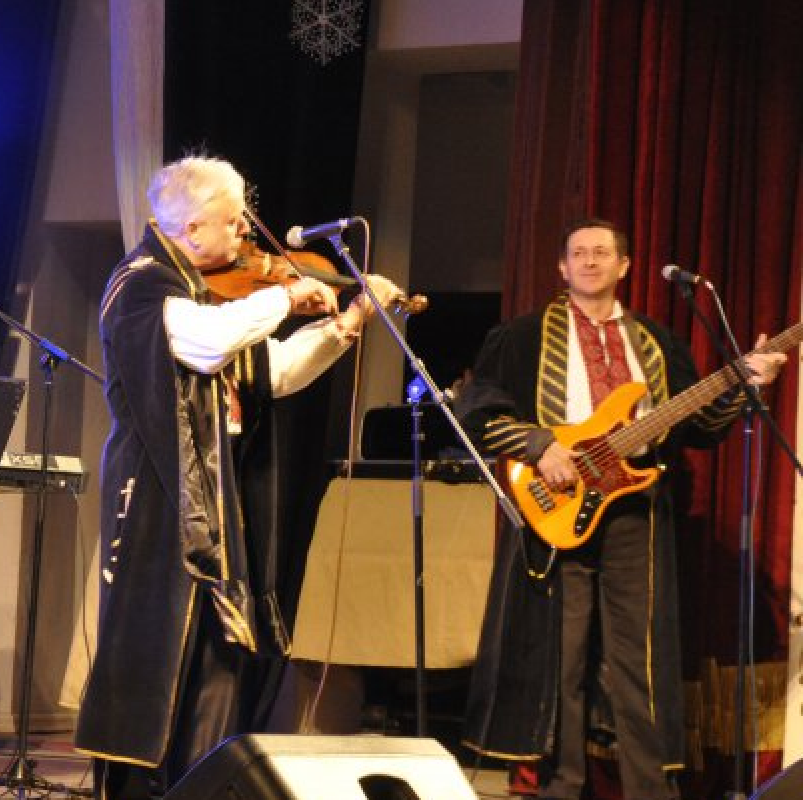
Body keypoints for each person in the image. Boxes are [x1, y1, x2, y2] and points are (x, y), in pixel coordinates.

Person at [73, 155, 403, 799]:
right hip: (157, 499)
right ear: (192, 227)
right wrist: (284, 295)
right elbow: (205, 343)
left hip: (212, 500)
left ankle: (201, 783)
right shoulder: (141, 283)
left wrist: (347, 324)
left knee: (217, 658)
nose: (245, 235)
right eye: (232, 223)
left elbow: (271, 373)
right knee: (155, 655)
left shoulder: (206, 292)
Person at [455, 219, 785, 800]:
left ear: (624, 266)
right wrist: (540, 446)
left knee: (640, 657)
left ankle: (649, 790)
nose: (589, 261)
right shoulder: (522, 337)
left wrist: (744, 383)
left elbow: (698, 427)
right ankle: (562, 787)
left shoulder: (656, 342)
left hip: (637, 512)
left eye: (601, 252)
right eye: (578, 253)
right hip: (556, 506)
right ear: (562, 267)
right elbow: (478, 410)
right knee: (563, 654)